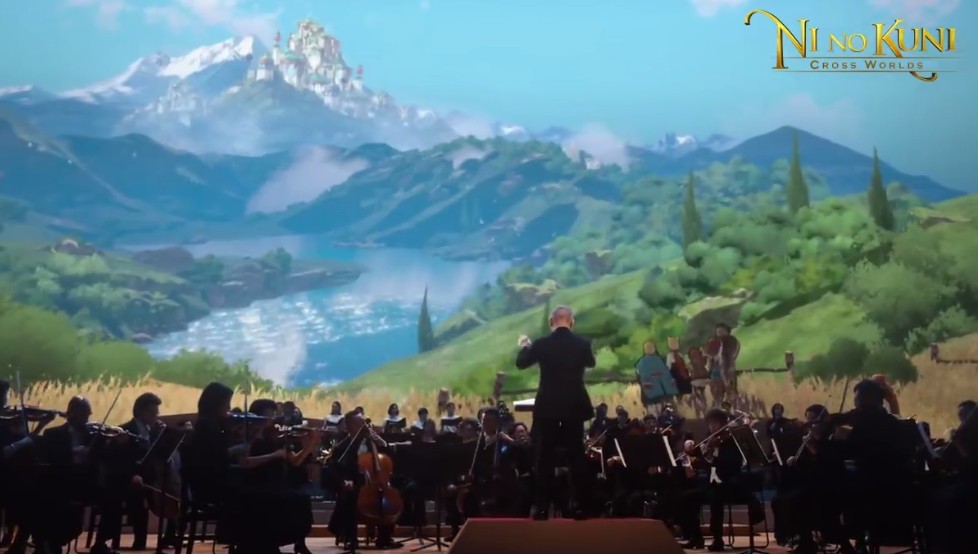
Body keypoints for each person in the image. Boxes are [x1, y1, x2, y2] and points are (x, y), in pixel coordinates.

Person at [515, 304, 595, 520]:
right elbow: (591, 362)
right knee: (576, 457)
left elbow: (521, 363)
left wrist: (526, 346)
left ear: (551, 322)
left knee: (544, 459)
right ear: (572, 322)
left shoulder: (541, 344)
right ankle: (580, 506)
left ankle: (542, 508)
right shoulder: (583, 343)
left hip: (547, 408)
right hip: (574, 407)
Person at [325, 410, 402, 551]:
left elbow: (390, 459)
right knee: (349, 497)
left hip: (374, 481)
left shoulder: (372, 442)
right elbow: (334, 469)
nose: (364, 426)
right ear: (349, 426)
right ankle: (351, 539)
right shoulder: (342, 447)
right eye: (359, 423)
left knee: (388, 496)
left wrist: (382, 443)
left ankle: (384, 538)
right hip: (353, 482)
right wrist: (344, 481)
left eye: (364, 423)